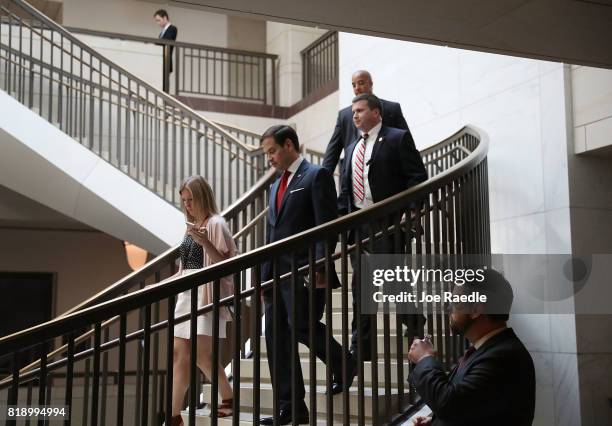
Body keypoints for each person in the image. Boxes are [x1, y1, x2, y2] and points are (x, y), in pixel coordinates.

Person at [259, 125, 355, 425]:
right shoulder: (275, 186)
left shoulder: (316, 176)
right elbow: (271, 234)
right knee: (276, 338)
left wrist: (318, 266)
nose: (270, 159)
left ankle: (344, 363)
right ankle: (291, 408)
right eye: (267, 154)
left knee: (301, 326)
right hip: (275, 275)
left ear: (289, 145)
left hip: (304, 271)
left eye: (272, 151)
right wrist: (263, 277)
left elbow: (327, 226)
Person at [339, 93, 427, 361]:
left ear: (377, 112)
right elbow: (345, 191)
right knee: (360, 290)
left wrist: (412, 210)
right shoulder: (352, 148)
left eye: (361, 110)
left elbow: (417, 177)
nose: (354, 115)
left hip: (389, 223)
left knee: (396, 285)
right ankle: (361, 350)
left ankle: (416, 336)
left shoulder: (397, 137)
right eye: (353, 111)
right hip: (358, 226)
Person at [408, 269, 536, 426]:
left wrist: (424, 359)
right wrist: (435, 421)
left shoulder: (504, 357)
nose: (448, 308)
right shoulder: (488, 350)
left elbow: (450, 405)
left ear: (475, 310)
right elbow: (471, 408)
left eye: (454, 301)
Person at [168, 176, 237, 426]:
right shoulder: (191, 224)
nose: (187, 205)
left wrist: (204, 240)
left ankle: (228, 399)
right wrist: (159, 285)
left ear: (202, 197)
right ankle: (174, 415)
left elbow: (226, 264)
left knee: (202, 356)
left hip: (205, 292)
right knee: (179, 354)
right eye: (184, 200)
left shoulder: (216, 223)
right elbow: (184, 268)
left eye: (191, 199)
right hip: (186, 294)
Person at [322, 69, 409, 175]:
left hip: (389, 174)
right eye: (354, 85)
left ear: (371, 84)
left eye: (361, 83)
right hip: (355, 178)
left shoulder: (391, 108)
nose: (357, 88)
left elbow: (407, 143)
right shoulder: (344, 116)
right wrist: (322, 179)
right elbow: (333, 151)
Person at [153, 9, 178, 92]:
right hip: (160, 60)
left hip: (166, 60)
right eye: (156, 21)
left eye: (159, 20)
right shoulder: (161, 33)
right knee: (160, 82)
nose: (157, 23)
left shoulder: (173, 28)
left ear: (165, 18)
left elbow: (167, 41)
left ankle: (165, 100)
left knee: (165, 83)